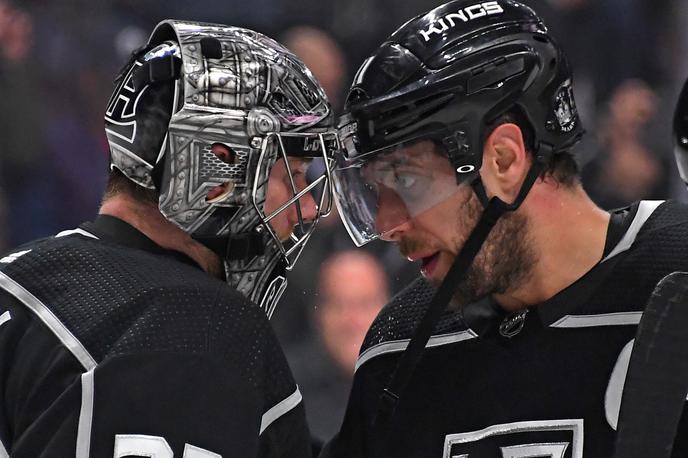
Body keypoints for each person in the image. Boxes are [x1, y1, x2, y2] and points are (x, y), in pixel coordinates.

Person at [324, 1, 688, 457]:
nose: (387, 225)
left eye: (407, 180)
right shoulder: (398, 346)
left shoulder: (678, 267)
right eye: (377, 191)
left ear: (504, 160)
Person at [0, 19, 338, 457]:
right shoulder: (199, 325)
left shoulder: (17, 276)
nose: (307, 207)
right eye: (291, 176)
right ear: (216, 169)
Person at [289, 250, 388, 443]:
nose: (352, 320)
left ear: (389, 308)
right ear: (317, 315)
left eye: (365, 304)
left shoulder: (417, 387)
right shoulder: (285, 389)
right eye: (339, 305)